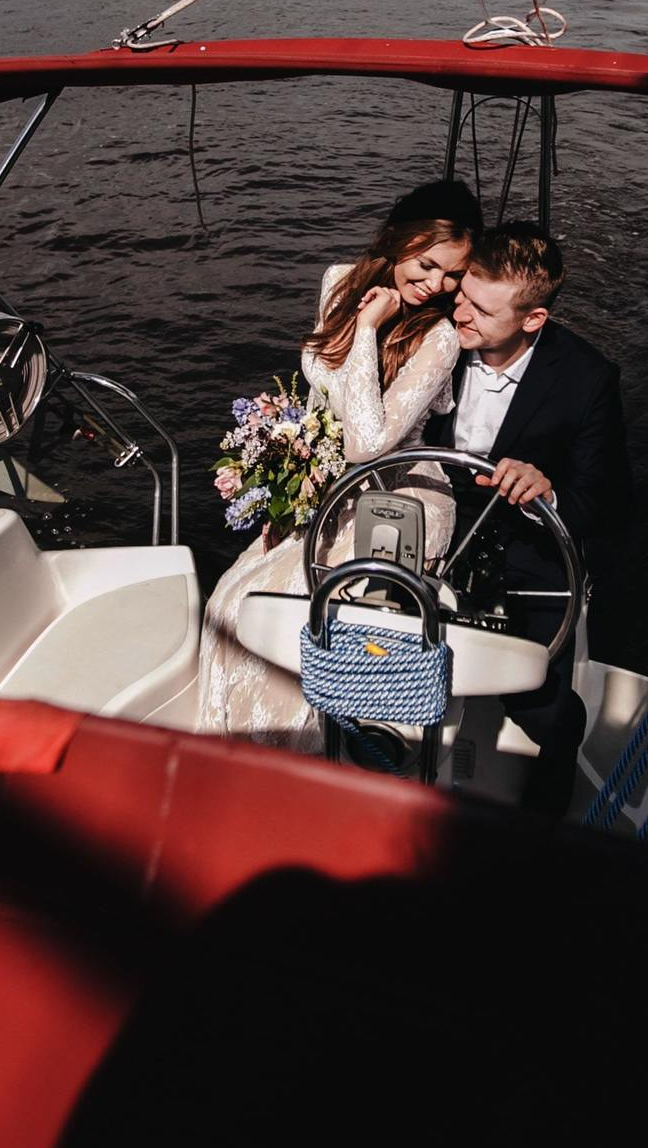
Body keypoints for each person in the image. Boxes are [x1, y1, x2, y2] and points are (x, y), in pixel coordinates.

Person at [195, 180, 482, 749]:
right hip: (326, 482)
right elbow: (320, 401)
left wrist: (369, 331)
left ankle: (291, 769)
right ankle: (225, 753)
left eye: (454, 275)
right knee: (228, 601)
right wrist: (292, 478)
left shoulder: (441, 336)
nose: (437, 286)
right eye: (427, 265)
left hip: (398, 497)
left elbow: (367, 443)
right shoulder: (337, 282)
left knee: (296, 622)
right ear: (399, 241)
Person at [426, 224, 631, 816]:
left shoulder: (588, 380)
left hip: (527, 560)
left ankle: (549, 805)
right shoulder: (436, 335)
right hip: (430, 544)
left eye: (482, 310)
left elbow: (611, 504)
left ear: (533, 320)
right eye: (462, 294)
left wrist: (550, 491)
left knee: (540, 707)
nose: (460, 313)